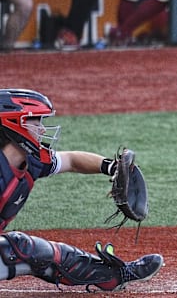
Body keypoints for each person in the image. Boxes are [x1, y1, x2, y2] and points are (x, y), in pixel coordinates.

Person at [0, 89, 163, 291]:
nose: (42, 130)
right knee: (19, 248)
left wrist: (110, 167)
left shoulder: (31, 161)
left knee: (50, 254)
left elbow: (71, 160)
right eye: (35, 121)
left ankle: (113, 276)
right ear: (13, 123)